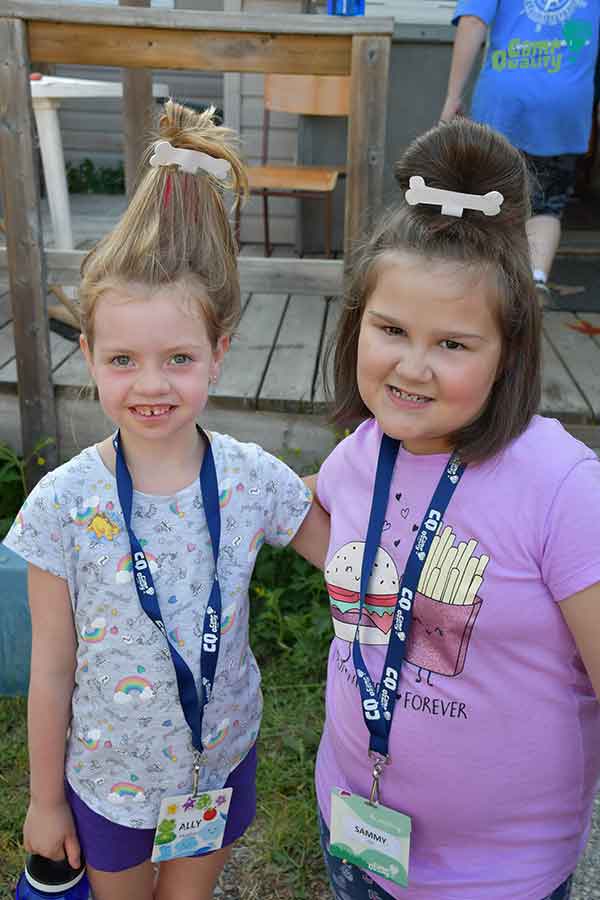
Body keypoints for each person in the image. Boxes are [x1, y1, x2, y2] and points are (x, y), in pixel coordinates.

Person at [3, 100, 328, 900]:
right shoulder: (61, 505)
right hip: (109, 778)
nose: (151, 385)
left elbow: (349, 552)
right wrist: (46, 802)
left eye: (179, 357)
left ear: (220, 353)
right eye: (122, 359)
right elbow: (50, 670)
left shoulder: (252, 480)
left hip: (217, 761)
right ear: (87, 353)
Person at [312, 117, 600, 900]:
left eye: (454, 344)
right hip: (355, 829)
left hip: (499, 877)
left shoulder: (564, 489)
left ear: (510, 351)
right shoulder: (358, 455)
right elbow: (339, 544)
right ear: (356, 326)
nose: (413, 366)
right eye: (391, 329)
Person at [440, 0, 600, 304]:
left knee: (487, 198)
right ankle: (535, 278)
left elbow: (473, 22)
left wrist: (453, 96)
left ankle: (481, 285)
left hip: (505, 101)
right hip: (564, 103)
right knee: (547, 204)